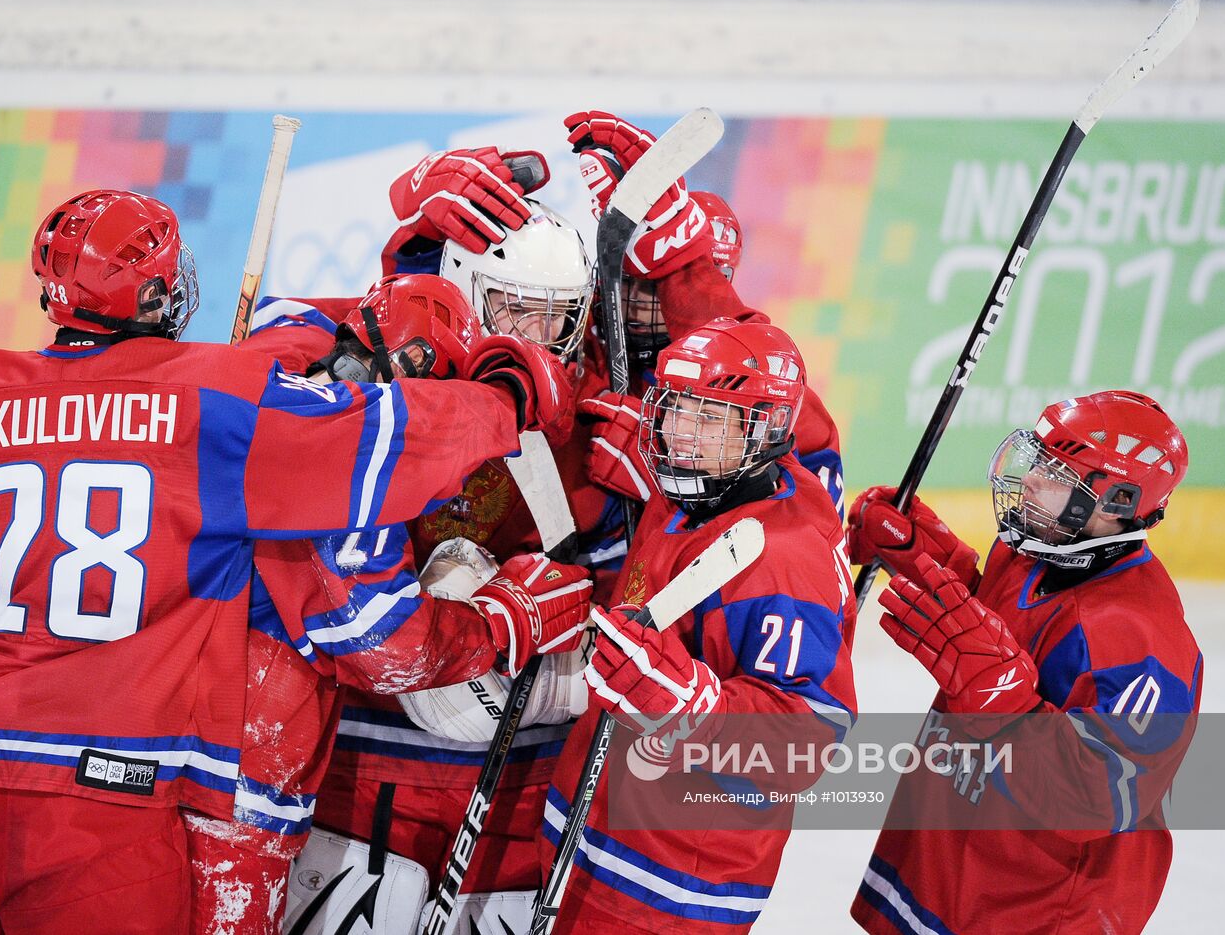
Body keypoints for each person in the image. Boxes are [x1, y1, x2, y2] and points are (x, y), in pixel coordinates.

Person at [0, 189, 575, 934]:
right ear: (158, 291)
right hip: (104, 798)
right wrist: (504, 401)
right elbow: (387, 440)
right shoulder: (211, 397)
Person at [182, 274, 596, 935]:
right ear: (420, 377)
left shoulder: (266, 366)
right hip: (235, 771)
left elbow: (287, 315)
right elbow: (386, 649)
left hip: (125, 743)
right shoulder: (360, 473)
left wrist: (411, 256)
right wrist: (505, 619)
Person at [846, 390, 1203, 935]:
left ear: (1114, 503)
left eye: (1056, 473)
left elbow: (1102, 795)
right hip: (956, 862)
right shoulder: (1036, 545)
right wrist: (921, 555)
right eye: (1036, 460)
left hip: (1037, 907)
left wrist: (1003, 697)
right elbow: (991, 628)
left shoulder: (1141, 641)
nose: (1031, 479)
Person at [550, 317, 858, 934]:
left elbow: (813, 739)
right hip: (588, 834)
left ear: (766, 428)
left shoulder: (785, 563)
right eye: (676, 407)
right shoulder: (690, 489)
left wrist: (691, 703)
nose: (680, 433)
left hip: (673, 883)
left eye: (710, 417)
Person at [564, 110, 848, 519]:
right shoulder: (574, 344)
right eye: (631, 280)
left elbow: (812, 513)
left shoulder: (755, 378)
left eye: (657, 282)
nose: (642, 299)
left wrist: (674, 480)